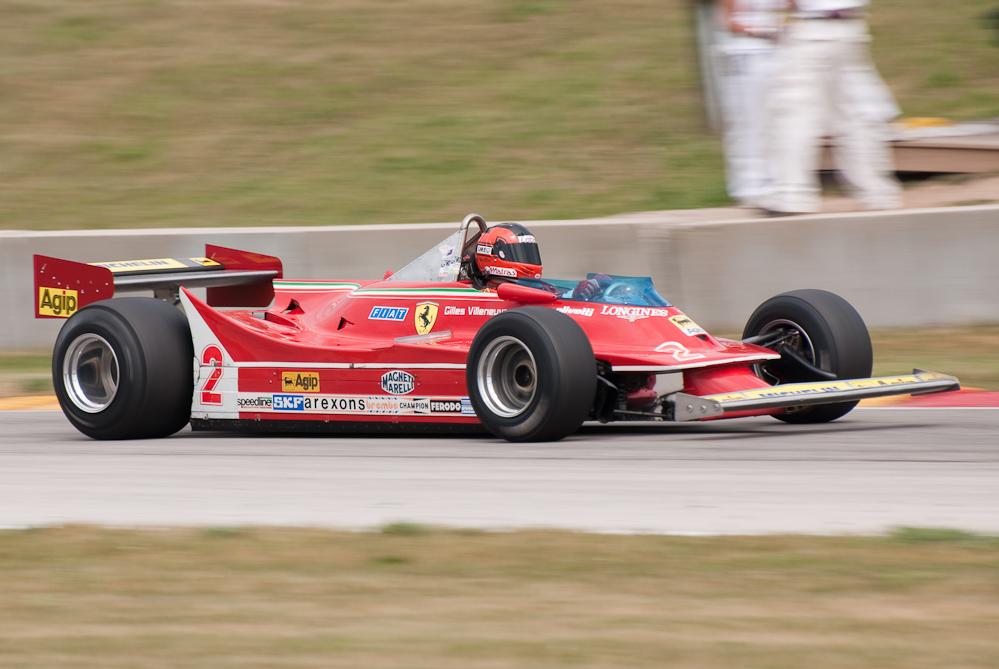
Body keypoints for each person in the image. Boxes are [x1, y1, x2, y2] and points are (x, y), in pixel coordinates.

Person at [764, 0, 902, 215]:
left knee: (796, 111)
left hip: (813, 28)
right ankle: (878, 192)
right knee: (857, 112)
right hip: (851, 26)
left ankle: (792, 194)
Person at [716, 0, 786, 207]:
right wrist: (764, 31)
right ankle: (749, 188)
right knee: (747, 124)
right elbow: (728, 21)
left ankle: (774, 182)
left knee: (776, 122)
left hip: (779, 54)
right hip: (745, 55)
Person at [469, 223, 611, 300]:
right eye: (518, 252)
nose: (527, 259)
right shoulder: (491, 293)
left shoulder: (535, 287)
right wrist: (572, 295)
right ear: (494, 256)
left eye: (528, 252)